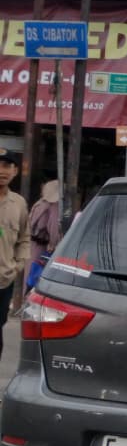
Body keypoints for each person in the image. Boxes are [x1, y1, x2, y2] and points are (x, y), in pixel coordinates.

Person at [0, 149, 30, 360]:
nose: (3, 171)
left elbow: (24, 238)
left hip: (3, 280)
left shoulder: (19, 203)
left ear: (15, 171)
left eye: (7, 166)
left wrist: (17, 266)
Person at [25, 179, 61, 294]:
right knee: (34, 274)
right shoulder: (53, 206)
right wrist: (55, 244)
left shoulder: (40, 203)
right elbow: (54, 228)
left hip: (30, 243)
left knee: (28, 273)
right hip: (40, 246)